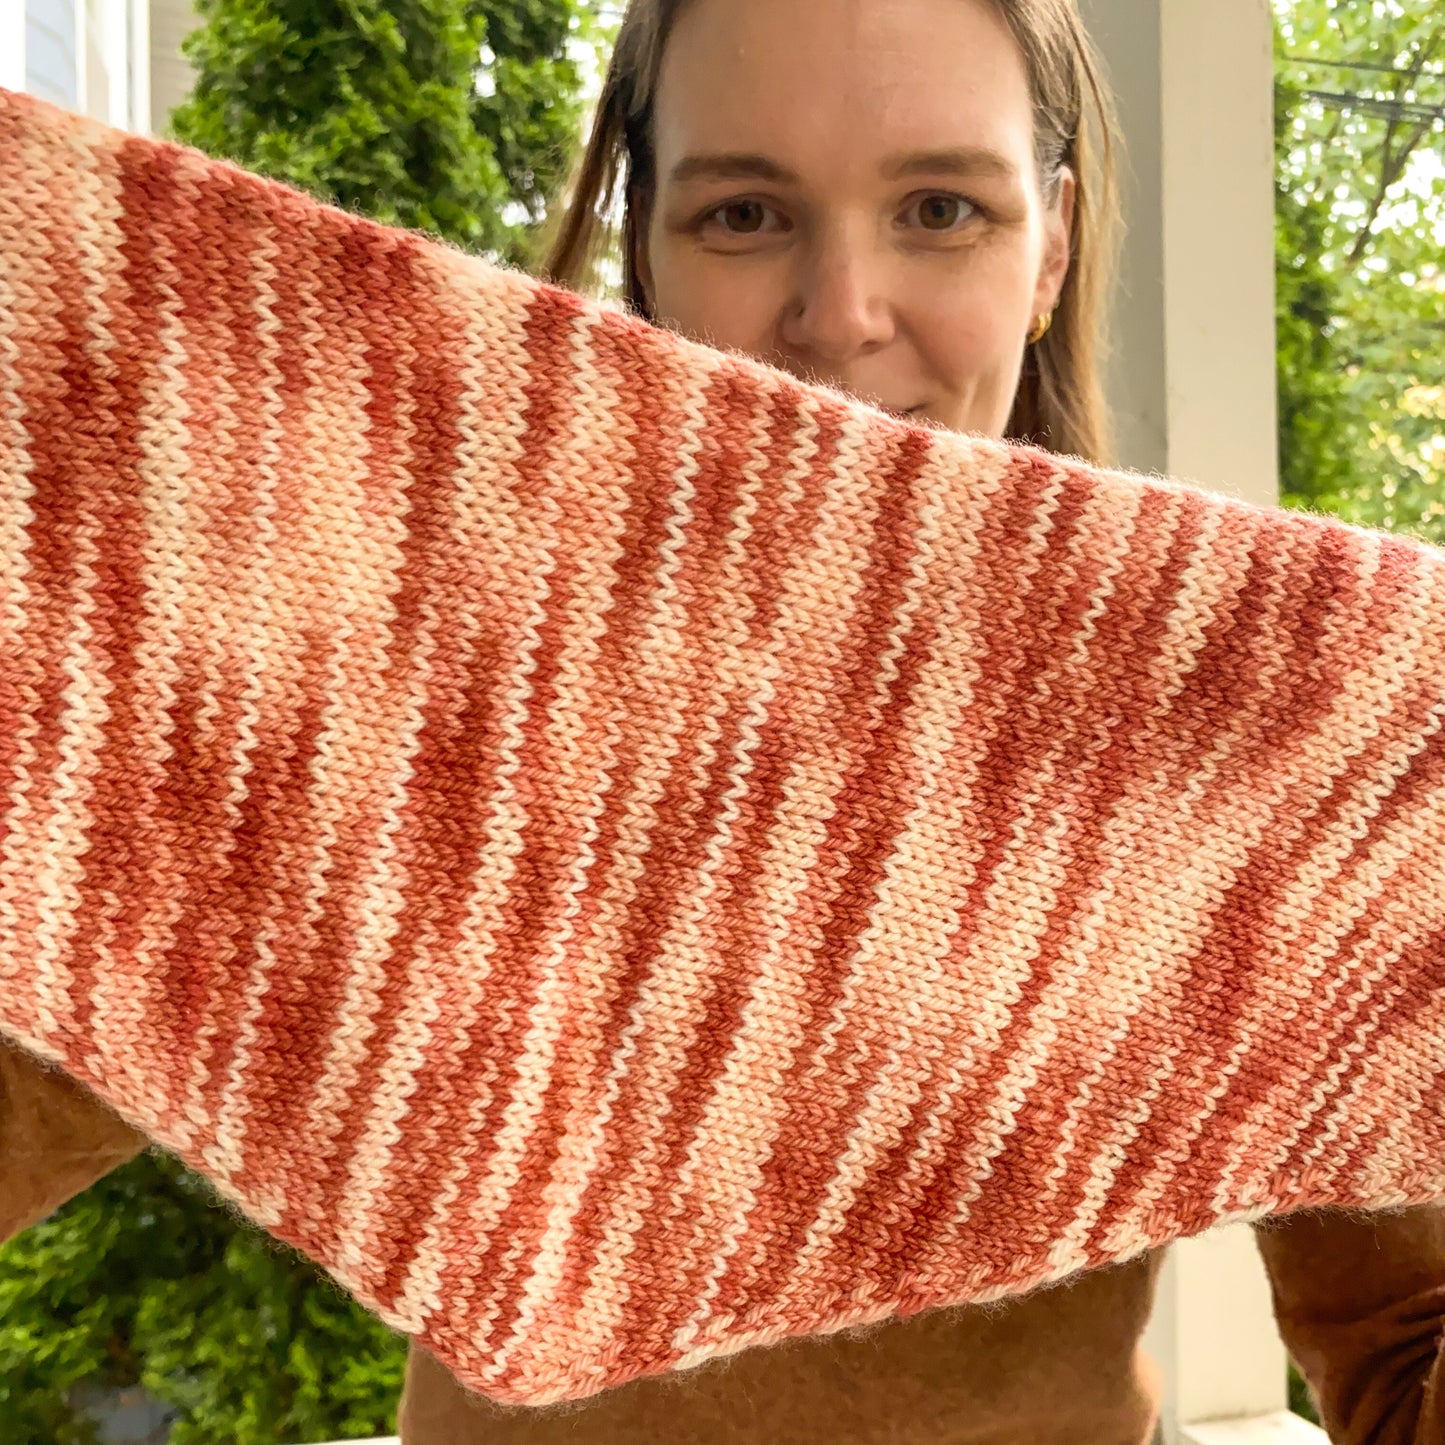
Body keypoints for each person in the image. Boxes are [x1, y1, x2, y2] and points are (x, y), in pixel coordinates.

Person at [3, 0, 1444, 1441]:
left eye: (939, 208)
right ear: (645, 241)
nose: (840, 314)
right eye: (746, 213)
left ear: (1048, 245)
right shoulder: (443, 664)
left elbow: (1405, 1345)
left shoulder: (1224, 721)